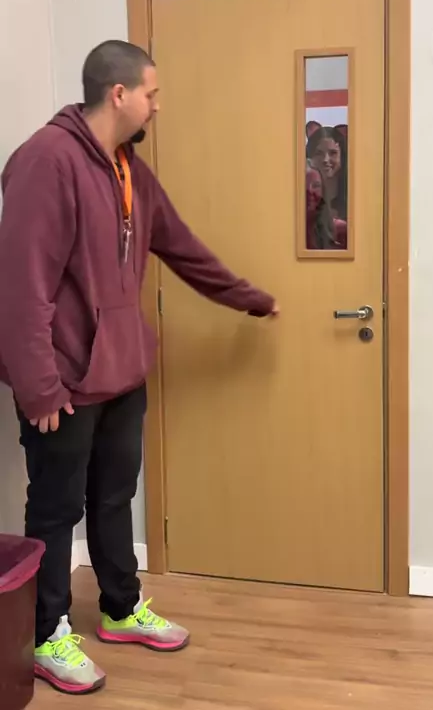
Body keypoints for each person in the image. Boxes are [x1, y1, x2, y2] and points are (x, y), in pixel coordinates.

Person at [0, 40, 278, 695]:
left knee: (114, 497)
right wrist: (39, 386)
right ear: (119, 94)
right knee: (56, 509)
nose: (158, 104)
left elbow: (181, 245)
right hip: (64, 382)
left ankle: (120, 608)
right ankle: (47, 634)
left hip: (121, 372)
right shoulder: (46, 160)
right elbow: (22, 286)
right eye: (152, 93)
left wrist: (246, 297)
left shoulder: (128, 169)